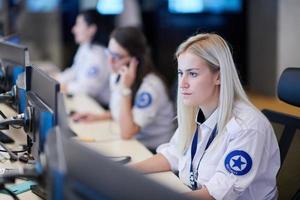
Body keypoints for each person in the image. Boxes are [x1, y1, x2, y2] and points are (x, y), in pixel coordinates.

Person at [132, 33, 280, 200]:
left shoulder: (247, 127)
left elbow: (216, 193)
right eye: (181, 73)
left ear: (218, 76)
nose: (182, 84)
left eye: (193, 74)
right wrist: (127, 173)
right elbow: (173, 154)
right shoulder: (198, 111)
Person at [72, 27, 175, 151]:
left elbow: (127, 132)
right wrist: (98, 116)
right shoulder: (118, 74)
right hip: (133, 141)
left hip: (152, 149)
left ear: (135, 60)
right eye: (108, 53)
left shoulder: (150, 88)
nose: (109, 61)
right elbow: (124, 112)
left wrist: (125, 89)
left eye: (117, 56)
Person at [56, 9, 110, 107]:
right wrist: (57, 78)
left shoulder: (98, 57)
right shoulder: (85, 47)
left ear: (91, 29)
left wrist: (64, 87)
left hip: (99, 106)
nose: (74, 29)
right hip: (86, 100)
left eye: (78, 25)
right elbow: (74, 70)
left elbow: (87, 89)